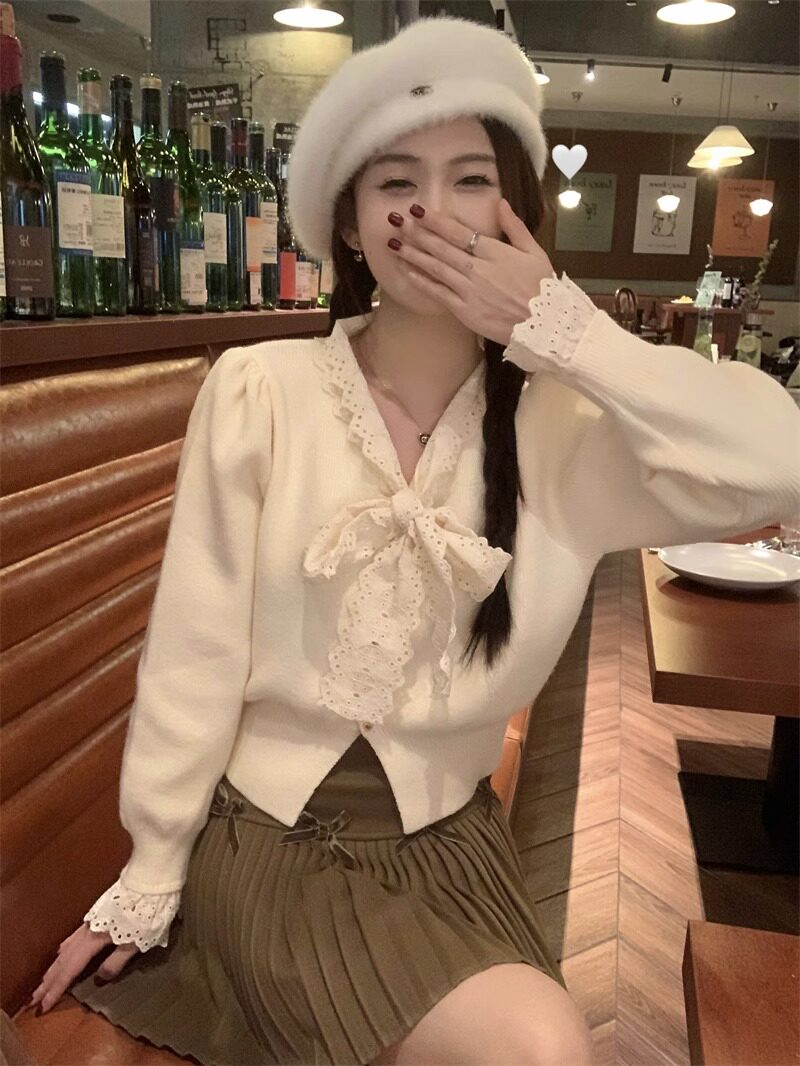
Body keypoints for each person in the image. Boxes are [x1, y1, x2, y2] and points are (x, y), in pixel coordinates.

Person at [25, 15, 800, 1066]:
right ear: (349, 225)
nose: (433, 211)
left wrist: (565, 329)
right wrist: (152, 870)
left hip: (450, 847)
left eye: (470, 180)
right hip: (269, 842)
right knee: (539, 1048)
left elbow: (777, 464)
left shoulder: (565, 431)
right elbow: (192, 656)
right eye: (397, 182)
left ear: (515, 214)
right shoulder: (261, 391)